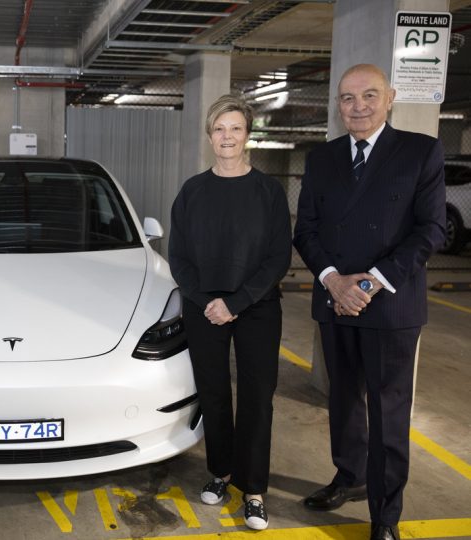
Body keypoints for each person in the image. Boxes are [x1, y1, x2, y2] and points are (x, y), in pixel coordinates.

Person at [293, 64, 445, 540]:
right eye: (347, 98)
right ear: (337, 105)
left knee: (388, 413)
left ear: (391, 97)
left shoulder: (420, 151)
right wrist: (334, 280)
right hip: (337, 300)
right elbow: (307, 231)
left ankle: (385, 515)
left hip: (390, 303)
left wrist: (370, 283)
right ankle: (349, 475)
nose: (357, 107)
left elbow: (431, 230)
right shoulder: (322, 158)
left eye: (368, 96)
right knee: (343, 401)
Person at [169, 94, 292, 531]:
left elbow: (278, 257)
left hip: (257, 307)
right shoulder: (192, 191)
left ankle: (254, 490)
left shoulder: (268, 192)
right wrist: (208, 303)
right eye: (219, 128)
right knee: (215, 394)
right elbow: (179, 257)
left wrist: (236, 303)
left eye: (235, 128)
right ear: (209, 135)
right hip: (204, 308)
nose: (227, 136)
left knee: (258, 398)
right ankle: (219, 474)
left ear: (247, 135)